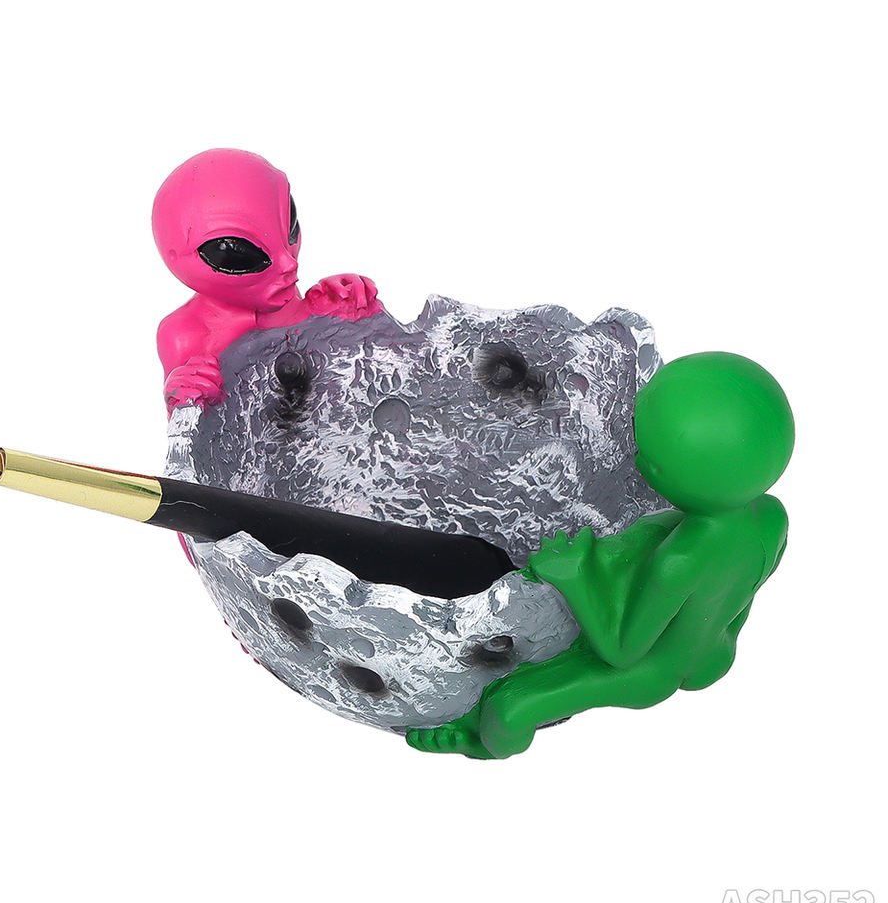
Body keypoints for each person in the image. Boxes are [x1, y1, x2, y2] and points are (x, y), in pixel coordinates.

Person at [407, 351, 794, 759]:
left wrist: (575, 576)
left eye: (640, 447)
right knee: (649, 534)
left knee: (509, 707)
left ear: (658, 473)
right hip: (716, 653)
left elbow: (621, 651)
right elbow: (745, 588)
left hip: (652, 671)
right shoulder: (772, 518)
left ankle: (482, 744)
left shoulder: (677, 562)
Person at [153, 148, 382, 412]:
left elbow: (319, 351)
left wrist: (338, 305)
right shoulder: (186, 335)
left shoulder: (280, 296)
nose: (289, 264)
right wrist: (183, 396)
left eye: (290, 225)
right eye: (238, 254)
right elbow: (186, 428)